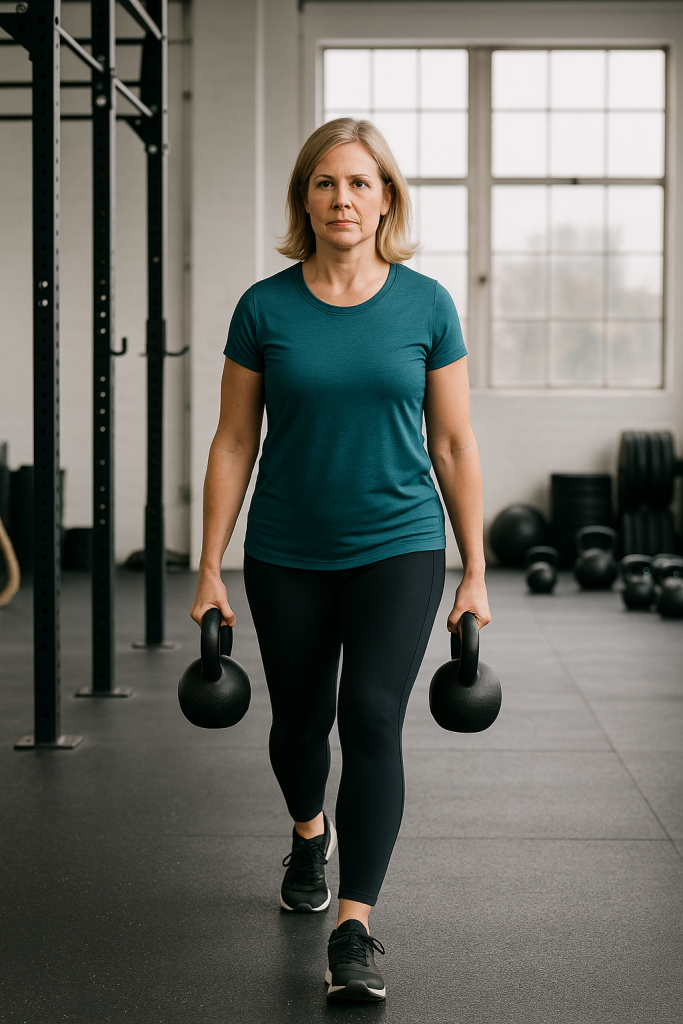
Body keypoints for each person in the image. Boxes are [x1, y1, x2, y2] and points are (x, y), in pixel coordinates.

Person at [190, 117, 490, 1003]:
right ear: (304, 199)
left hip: (398, 543)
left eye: (361, 183)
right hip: (285, 550)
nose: (343, 199)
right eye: (326, 183)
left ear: (386, 197)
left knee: (369, 717)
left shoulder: (427, 304)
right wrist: (209, 565)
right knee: (297, 726)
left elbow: (454, 445)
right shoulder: (265, 307)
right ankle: (307, 832)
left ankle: (353, 927)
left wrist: (473, 570)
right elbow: (234, 439)